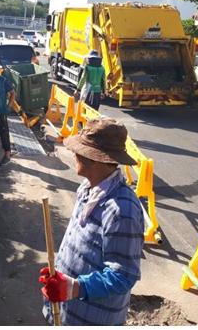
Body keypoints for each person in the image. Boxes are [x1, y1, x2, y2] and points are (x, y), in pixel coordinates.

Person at [38, 118, 144, 326]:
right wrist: (59, 274)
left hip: (92, 319)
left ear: (94, 158)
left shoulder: (122, 210)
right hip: (67, 311)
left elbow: (123, 275)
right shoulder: (88, 189)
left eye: (79, 150)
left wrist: (74, 288)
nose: (74, 154)